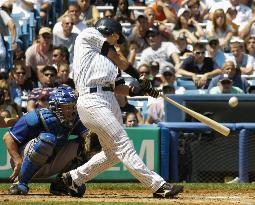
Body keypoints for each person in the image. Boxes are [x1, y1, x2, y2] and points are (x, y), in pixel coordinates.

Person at [61, 17, 184, 198]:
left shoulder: (109, 63)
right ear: (112, 33)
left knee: (113, 154)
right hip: (91, 98)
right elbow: (117, 57)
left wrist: (142, 89)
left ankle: (72, 178)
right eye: (116, 39)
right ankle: (158, 186)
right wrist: (139, 76)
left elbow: (120, 88)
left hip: (109, 99)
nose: (117, 43)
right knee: (123, 144)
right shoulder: (89, 34)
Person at [3, 86, 87, 196]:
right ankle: (21, 183)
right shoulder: (36, 117)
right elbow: (8, 137)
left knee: (88, 144)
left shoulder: (75, 119)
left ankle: (62, 183)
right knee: (47, 139)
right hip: (24, 162)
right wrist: (17, 159)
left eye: (72, 107)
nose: (70, 111)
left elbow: (88, 137)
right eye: (66, 107)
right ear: (55, 106)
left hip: (51, 162)